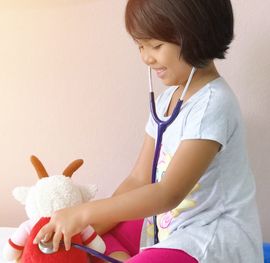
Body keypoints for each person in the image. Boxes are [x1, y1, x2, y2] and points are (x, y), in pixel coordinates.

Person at [34, 0, 264, 262]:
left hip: (209, 238)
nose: (146, 57)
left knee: (97, 225)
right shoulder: (167, 101)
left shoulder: (214, 104)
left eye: (156, 46)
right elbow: (138, 179)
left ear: (197, 36)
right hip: (170, 225)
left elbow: (168, 193)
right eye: (141, 46)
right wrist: (87, 226)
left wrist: (84, 213)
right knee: (100, 232)